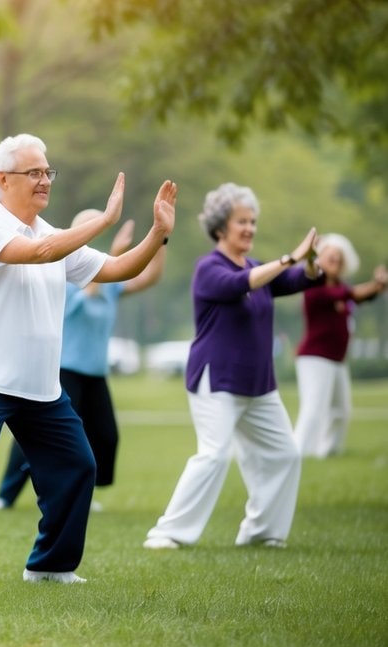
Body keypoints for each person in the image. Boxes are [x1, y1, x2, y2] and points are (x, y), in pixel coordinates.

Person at [0, 133, 175, 589]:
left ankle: (50, 565)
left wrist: (158, 233)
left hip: (40, 386)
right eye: (35, 172)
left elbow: (119, 270)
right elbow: (41, 254)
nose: (45, 180)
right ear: (3, 179)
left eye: (48, 171)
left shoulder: (54, 236)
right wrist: (104, 220)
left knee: (78, 466)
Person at [144, 183, 320, 551]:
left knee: (284, 453)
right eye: (242, 221)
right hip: (217, 379)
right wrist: (289, 258)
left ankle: (262, 531)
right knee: (214, 454)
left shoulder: (259, 267)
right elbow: (242, 283)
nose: (250, 228)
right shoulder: (209, 268)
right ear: (221, 226)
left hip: (258, 384)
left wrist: (311, 263)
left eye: (253, 222)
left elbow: (293, 280)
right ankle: (168, 533)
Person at [0, 213, 167, 513]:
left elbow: (148, 277)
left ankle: (80, 492)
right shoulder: (63, 276)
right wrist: (114, 253)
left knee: (105, 437)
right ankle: (5, 495)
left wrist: (161, 235)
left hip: (95, 374)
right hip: (64, 371)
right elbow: (90, 286)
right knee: (38, 437)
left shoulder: (109, 282)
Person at [292, 233, 387, 458]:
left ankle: (329, 452)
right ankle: (298, 452)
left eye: (338, 258)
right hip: (315, 357)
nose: (335, 261)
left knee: (341, 411)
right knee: (313, 408)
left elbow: (356, 297)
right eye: (330, 257)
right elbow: (352, 294)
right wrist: (377, 285)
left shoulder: (341, 288)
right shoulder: (314, 285)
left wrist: (377, 288)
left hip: (336, 358)